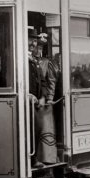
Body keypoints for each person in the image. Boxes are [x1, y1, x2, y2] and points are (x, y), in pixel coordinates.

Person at [30, 32, 58, 166]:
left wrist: (48, 98)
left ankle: (47, 156)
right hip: (33, 100)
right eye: (36, 47)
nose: (38, 50)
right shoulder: (32, 61)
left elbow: (50, 81)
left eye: (40, 48)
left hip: (44, 101)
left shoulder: (46, 62)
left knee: (43, 127)